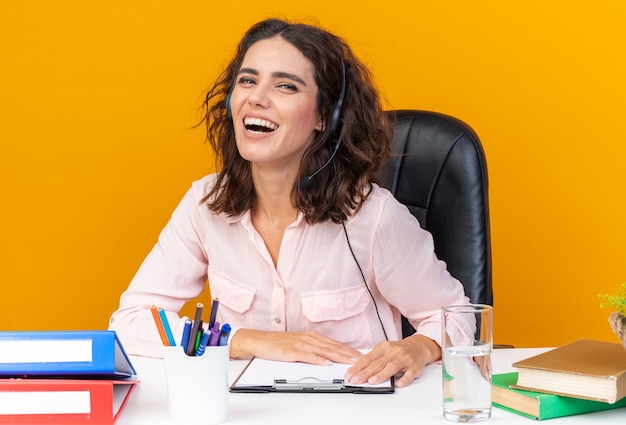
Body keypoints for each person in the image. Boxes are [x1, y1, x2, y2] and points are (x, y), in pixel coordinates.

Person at [109, 18, 472, 388]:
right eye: (247, 80)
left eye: (285, 86)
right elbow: (132, 320)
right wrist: (246, 340)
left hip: (352, 410)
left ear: (323, 117)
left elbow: (458, 317)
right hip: (245, 412)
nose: (257, 97)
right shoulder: (204, 205)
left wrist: (421, 346)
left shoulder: (374, 217)